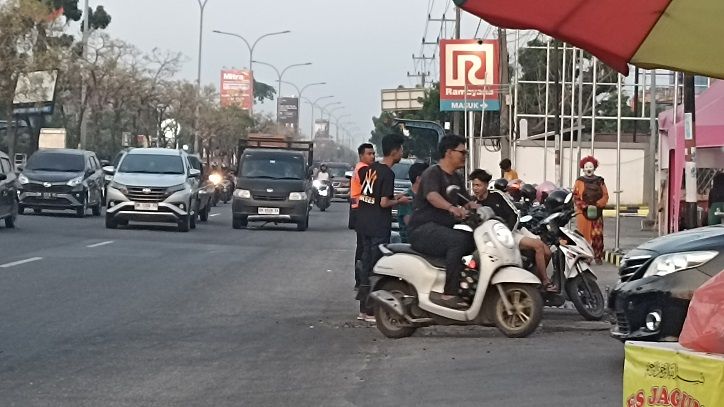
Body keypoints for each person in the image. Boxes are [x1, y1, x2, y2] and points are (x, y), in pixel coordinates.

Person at [408, 135, 478, 310]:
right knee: (457, 241)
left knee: (473, 240)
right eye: (462, 152)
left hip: (440, 228)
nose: (465, 155)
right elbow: (432, 196)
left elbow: (466, 200)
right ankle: (449, 294)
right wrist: (451, 208)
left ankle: (468, 284)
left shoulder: (456, 177)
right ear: (449, 152)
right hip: (422, 229)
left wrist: (477, 207)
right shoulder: (433, 173)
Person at [470, 169, 556, 292]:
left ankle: (536, 281)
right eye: (473, 185)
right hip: (495, 242)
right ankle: (545, 281)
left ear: (486, 185)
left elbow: (514, 214)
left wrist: (508, 232)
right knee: (538, 246)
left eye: (478, 185)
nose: (475, 188)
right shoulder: (473, 203)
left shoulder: (497, 195)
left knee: (547, 252)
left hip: (511, 232)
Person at [356, 134, 411, 322]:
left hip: (364, 223)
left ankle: (363, 309)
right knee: (376, 267)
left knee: (365, 264)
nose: (402, 153)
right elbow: (384, 203)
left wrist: (394, 196)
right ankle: (371, 310)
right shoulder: (388, 173)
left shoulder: (369, 169)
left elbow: (372, 195)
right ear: (395, 151)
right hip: (378, 225)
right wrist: (400, 200)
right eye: (401, 150)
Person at [573, 156, 609, 264]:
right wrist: (584, 206)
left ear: (594, 168)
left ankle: (598, 256)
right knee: (583, 235)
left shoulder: (600, 181)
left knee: (597, 235)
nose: (588, 168)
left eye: (591, 166)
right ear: (583, 168)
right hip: (583, 213)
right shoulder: (579, 181)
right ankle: (585, 256)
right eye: (586, 166)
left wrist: (597, 205)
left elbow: (605, 195)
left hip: (596, 212)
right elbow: (575, 196)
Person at [349, 143, 376, 290]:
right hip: (361, 211)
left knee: (361, 246)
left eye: (373, 153)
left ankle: (359, 280)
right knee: (364, 247)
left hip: (358, 210)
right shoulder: (363, 170)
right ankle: (361, 280)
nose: (372, 156)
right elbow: (369, 193)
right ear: (361, 156)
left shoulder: (359, 168)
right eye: (369, 154)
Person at [396, 162, 429, 243]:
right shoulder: (407, 197)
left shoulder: (427, 197)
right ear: (419, 179)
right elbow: (410, 223)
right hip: (411, 242)